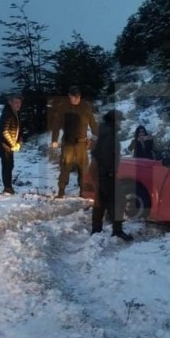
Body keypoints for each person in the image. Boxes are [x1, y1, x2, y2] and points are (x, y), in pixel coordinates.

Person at [90, 109, 133, 241]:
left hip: (100, 170)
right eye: (120, 120)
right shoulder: (109, 133)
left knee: (101, 199)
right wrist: (108, 172)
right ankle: (117, 230)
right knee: (117, 199)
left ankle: (96, 229)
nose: (121, 123)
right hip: (105, 171)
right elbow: (106, 155)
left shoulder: (104, 129)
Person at [50, 86, 98, 198]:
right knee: (65, 167)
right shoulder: (63, 108)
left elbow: (94, 125)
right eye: (73, 96)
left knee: (83, 168)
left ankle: (83, 191)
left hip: (82, 144)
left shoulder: (85, 108)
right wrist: (54, 140)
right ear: (69, 96)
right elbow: (56, 126)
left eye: (77, 96)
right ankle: (61, 191)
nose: (75, 99)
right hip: (67, 144)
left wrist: (94, 138)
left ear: (79, 96)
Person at [0, 93, 23, 195]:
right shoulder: (7, 113)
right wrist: (13, 144)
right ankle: (7, 188)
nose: (18, 104)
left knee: (10, 165)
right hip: (4, 145)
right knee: (7, 165)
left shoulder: (16, 113)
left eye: (19, 102)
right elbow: (5, 131)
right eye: (16, 102)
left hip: (9, 145)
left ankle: (8, 186)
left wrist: (19, 142)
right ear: (10, 102)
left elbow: (19, 130)